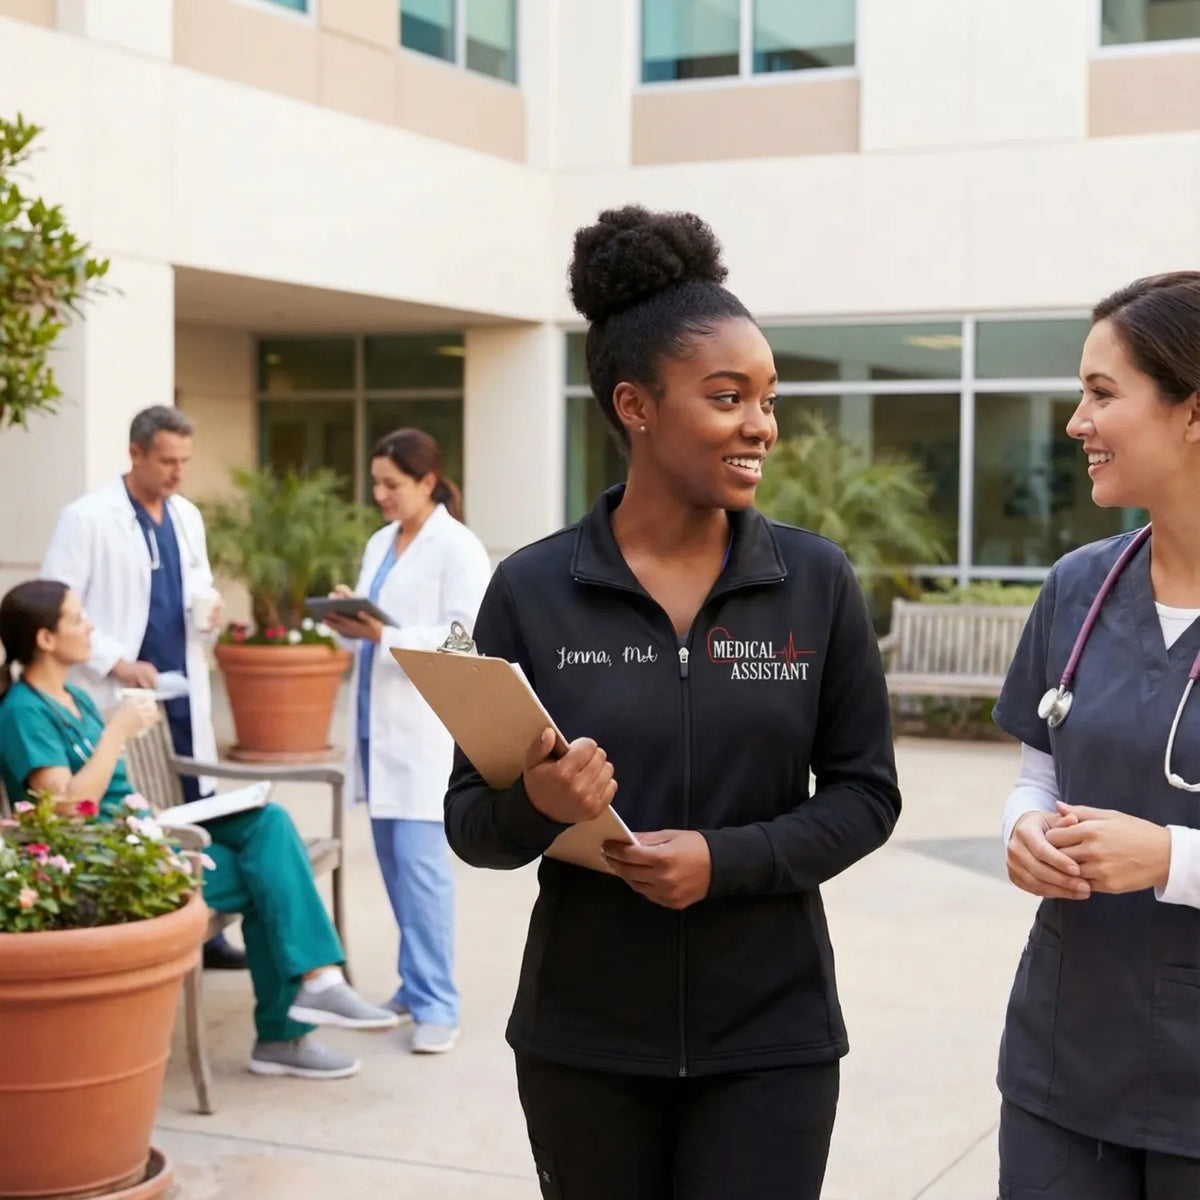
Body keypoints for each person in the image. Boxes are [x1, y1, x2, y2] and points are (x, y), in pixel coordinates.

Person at [442, 206, 902, 1200]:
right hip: (583, 1043)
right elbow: (472, 826)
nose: (761, 425)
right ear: (637, 405)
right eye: (727, 396)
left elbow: (867, 794)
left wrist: (723, 861)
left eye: (769, 399)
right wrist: (543, 803)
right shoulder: (532, 588)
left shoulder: (813, 582)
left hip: (772, 1039)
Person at [0, 579, 402, 1079]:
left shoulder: (76, 700)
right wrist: (117, 732)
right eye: (78, 619)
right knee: (266, 876)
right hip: (107, 863)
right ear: (45, 639)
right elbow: (68, 808)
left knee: (269, 825)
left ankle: (313, 991)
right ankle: (290, 1025)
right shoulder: (21, 712)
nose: (90, 627)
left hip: (149, 837)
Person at [993, 272, 1200, 1198]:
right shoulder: (1080, 586)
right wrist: (1021, 831)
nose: (1077, 420)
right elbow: (1039, 770)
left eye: (1103, 393)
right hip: (1064, 1062)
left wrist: (1167, 856)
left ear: (1192, 412)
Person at [40, 405, 243, 971]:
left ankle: (206, 933)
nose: (178, 473)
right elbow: (60, 603)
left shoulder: (186, 516)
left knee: (194, 801)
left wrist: (211, 615)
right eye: (167, 461)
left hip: (181, 685)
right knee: (138, 806)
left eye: (185, 461)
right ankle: (154, 930)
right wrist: (115, 661)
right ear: (135, 453)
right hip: (120, 693)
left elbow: (195, 587)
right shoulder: (86, 518)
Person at [324, 428, 491, 1055]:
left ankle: (438, 1004)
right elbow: (369, 633)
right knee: (394, 870)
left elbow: (464, 638)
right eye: (376, 485)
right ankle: (413, 985)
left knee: (422, 874)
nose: (380, 496)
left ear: (427, 481)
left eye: (391, 485)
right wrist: (349, 621)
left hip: (422, 734)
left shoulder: (459, 548)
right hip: (374, 727)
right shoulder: (380, 543)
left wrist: (382, 635)